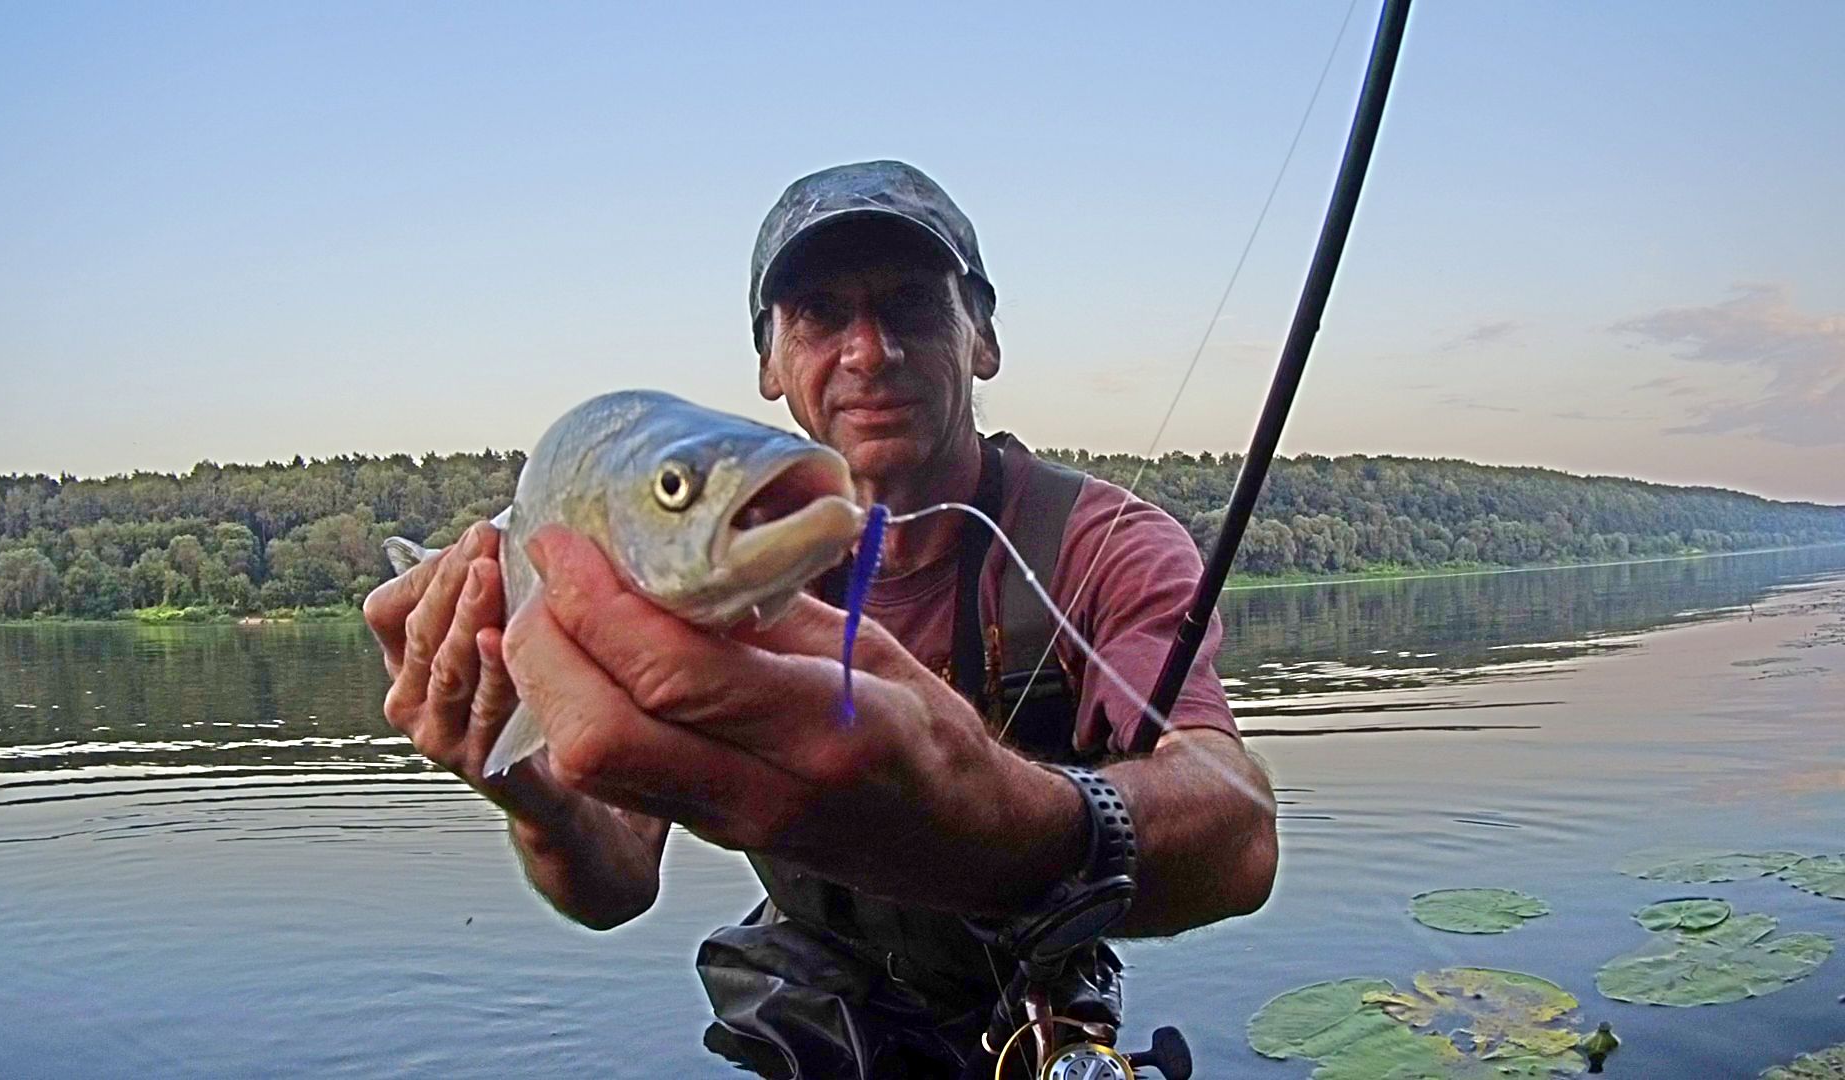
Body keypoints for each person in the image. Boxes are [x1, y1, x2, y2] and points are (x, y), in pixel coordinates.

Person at [363, 160, 1277, 1078]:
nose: (868, 350)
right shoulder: (686, 564)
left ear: (983, 336)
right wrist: (521, 781)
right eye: (820, 314)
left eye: (912, 304)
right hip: (817, 1019)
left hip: (1034, 1026)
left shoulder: (1107, 545)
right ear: (770, 362)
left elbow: (1240, 833)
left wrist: (999, 812)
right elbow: (616, 883)